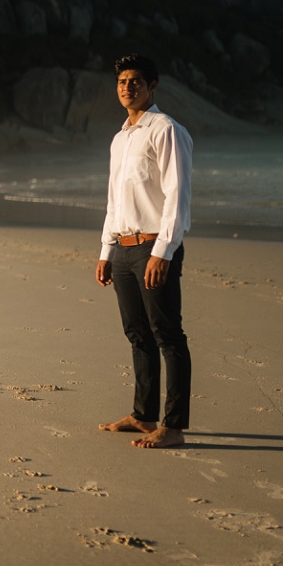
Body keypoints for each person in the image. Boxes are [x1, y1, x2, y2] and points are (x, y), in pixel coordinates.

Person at [94, 53, 193, 449]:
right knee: (138, 335)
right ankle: (142, 414)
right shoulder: (120, 139)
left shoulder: (166, 130)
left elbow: (177, 195)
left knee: (168, 336)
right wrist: (106, 250)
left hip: (154, 244)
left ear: (152, 86)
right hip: (123, 248)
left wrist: (164, 251)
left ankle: (173, 426)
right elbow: (114, 200)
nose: (126, 87)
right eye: (121, 81)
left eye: (135, 81)